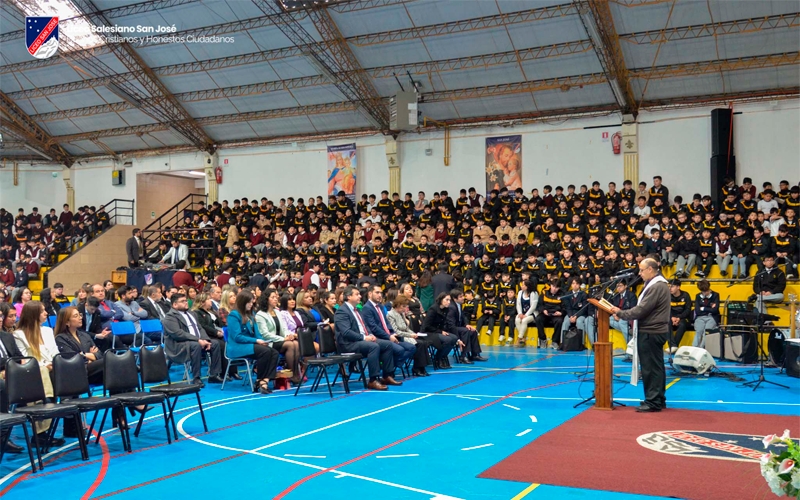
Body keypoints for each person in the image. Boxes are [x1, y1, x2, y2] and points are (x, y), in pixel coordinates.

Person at [610, 257, 670, 413]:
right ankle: (657, 398)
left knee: (650, 368)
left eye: (642, 270)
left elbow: (642, 309)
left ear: (651, 269)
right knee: (656, 367)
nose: (640, 273)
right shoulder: (657, 284)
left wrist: (620, 313)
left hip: (651, 331)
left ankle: (653, 401)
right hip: (653, 330)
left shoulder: (656, 286)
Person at [13, 301, 64, 444]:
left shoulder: (47, 331)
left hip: (51, 369)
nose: (46, 313)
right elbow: (25, 359)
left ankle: (45, 426)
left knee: (58, 371)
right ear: (33, 315)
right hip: (31, 371)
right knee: (41, 371)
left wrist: (54, 363)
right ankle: (46, 401)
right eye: (42, 311)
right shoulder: (19, 335)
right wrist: (44, 365)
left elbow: (55, 353)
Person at [334, 286, 398, 390]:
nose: (360, 296)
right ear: (349, 296)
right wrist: (364, 337)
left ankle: (387, 375)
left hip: (361, 340)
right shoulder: (342, 311)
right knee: (374, 346)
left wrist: (370, 334)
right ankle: (373, 380)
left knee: (387, 344)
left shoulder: (357, 310)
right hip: (348, 344)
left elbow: (365, 326)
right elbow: (346, 332)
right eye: (357, 294)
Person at [162, 293, 224, 386]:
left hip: (196, 341)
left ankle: (214, 375)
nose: (186, 303)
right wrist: (198, 340)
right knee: (196, 345)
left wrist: (205, 339)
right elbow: (178, 334)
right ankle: (196, 377)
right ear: (175, 304)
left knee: (215, 343)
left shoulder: (191, 313)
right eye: (182, 301)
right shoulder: (169, 317)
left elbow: (200, 328)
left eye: (186, 300)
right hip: (179, 344)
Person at [225, 291, 279, 394]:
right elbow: (237, 337)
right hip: (237, 347)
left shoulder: (251, 314)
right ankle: (260, 380)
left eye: (252, 302)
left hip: (250, 344)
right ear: (242, 302)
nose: (251, 304)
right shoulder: (233, 315)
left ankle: (265, 380)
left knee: (274, 352)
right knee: (265, 352)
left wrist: (261, 340)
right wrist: (256, 341)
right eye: (248, 302)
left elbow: (257, 333)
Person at [361, 285, 414, 377]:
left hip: (388, 336)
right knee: (400, 350)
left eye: (381, 293)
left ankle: (389, 366)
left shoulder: (380, 306)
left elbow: (386, 323)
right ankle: (388, 370)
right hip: (378, 338)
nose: (380, 295)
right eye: (377, 293)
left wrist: (392, 333)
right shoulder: (367, 308)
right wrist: (388, 336)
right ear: (370, 294)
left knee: (411, 347)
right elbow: (374, 328)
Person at [255, 290, 301, 384]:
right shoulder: (260, 314)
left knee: (295, 343)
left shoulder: (277, 312)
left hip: (281, 340)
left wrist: (288, 336)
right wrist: (283, 339)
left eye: (276, 297)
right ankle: (293, 375)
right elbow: (265, 334)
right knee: (291, 345)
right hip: (268, 342)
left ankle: (295, 373)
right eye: (273, 297)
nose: (276, 299)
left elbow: (283, 328)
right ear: (266, 299)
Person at [192, 292, 240, 380]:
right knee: (222, 344)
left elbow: (220, 323)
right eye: (208, 299)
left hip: (217, 334)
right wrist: (216, 332)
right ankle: (218, 373)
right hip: (208, 336)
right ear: (202, 302)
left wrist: (222, 329)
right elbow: (203, 326)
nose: (210, 301)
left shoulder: (212, 311)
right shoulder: (197, 313)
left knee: (230, 342)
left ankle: (231, 371)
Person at [54, 306, 103, 385]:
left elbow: (99, 354)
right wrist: (90, 356)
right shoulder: (61, 338)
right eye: (75, 316)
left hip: (92, 368)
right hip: (78, 371)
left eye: (80, 315)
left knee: (111, 362)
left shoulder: (84, 335)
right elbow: (73, 358)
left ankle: (120, 392)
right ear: (67, 322)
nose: (80, 318)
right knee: (107, 362)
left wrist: (83, 354)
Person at [0, 303, 25, 454]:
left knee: (39, 373)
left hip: (9, 371)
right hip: (3, 374)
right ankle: (3, 436)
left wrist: (8, 365)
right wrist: (8, 364)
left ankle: (40, 431)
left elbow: (19, 357)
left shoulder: (6, 336)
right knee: (2, 384)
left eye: (0, 316)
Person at [387, 294, 430, 377]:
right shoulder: (390, 314)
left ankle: (422, 367)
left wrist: (413, 333)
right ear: (398, 305)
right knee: (419, 344)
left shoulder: (401, 314)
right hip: (399, 337)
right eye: (403, 306)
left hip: (406, 335)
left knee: (424, 342)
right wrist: (410, 335)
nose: (405, 309)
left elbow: (406, 328)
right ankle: (417, 368)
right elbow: (396, 331)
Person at [421, 292, 460, 369]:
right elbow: (427, 326)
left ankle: (443, 356)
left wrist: (444, 331)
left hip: (438, 331)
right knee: (447, 340)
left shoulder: (446, 309)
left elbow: (444, 324)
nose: (449, 302)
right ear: (441, 300)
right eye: (447, 300)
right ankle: (437, 358)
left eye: (450, 300)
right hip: (428, 332)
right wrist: (440, 332)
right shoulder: (433, 309)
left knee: (454, 338)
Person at [446, 289, 486, 363]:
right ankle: (463, 356)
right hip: (450, 329)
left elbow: (463, 317)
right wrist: (457, 338)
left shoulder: (459, 305)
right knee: (465, 331)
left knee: (472, 331)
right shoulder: (451, 307)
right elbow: (451, 325)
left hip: (458, 327)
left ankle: (475, 354)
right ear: (455, 299)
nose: (463, 298)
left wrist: (467, 324)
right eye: (460, 297)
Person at [535, 280, 565, 349]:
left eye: (557, 287)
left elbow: (565, 307)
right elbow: (539, 305)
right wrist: (543, 310)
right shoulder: (544, 292)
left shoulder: (562, 295)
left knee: (560, 321)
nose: (554, 289)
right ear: (550, 285)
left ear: (559, 288)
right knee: (538, 319)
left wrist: (561, 313)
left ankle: (555, 341)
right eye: (553, 286)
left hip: (556, 314)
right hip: (545, 313)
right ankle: (542, 339)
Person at [667, 279, 692, 353]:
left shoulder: (686, 295)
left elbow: (688, 310)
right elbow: (666, 309)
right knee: (666, 324)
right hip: (671, 317)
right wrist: (672, 317)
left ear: (678, 287)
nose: (670, 288)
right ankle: (673, 346)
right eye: (669, 286)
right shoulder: (667, 296)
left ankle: (673, 346)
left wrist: (679, 318)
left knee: (682, 325)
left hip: (683, 318)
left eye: (672, 286)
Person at [692, 279, 719, 349]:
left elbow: (715, 310)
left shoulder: (715, 295)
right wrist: (710, 309)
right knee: (699, 332)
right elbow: (697, 311)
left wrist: (703, 308)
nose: (705, 293)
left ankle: (701, 349)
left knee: (706, 332)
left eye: (706, 291)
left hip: (712, 317)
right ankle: (694, 348)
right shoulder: (698, 296)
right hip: (700, 317)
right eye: (703, 291)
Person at [561, 277, 588, 342]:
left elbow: (584, 308)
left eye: (577, 283)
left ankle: (581, 343)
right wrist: (571, 316)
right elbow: (568, 307)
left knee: (579, 322)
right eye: (573, 283)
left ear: (579, 285)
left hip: (581, 314)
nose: (575, 285)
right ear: (571, 285)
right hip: (570, 313)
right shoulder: (567, 294)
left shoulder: (584, 294)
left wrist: (576, 316)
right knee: (565, 322)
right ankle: (563, 342)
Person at [514, 279, 538, 346]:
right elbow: (518, 304)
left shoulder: (534, 293)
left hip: (531, 313)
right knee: (517, 320)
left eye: (523, 285)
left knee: (524, 320)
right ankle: (523, 338)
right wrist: (520, 313)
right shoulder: (520, 292)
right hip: (522, 312)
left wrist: (526, 315)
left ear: (527, 286)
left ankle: (519, 338)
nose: (521, 286)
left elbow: (533, 307)